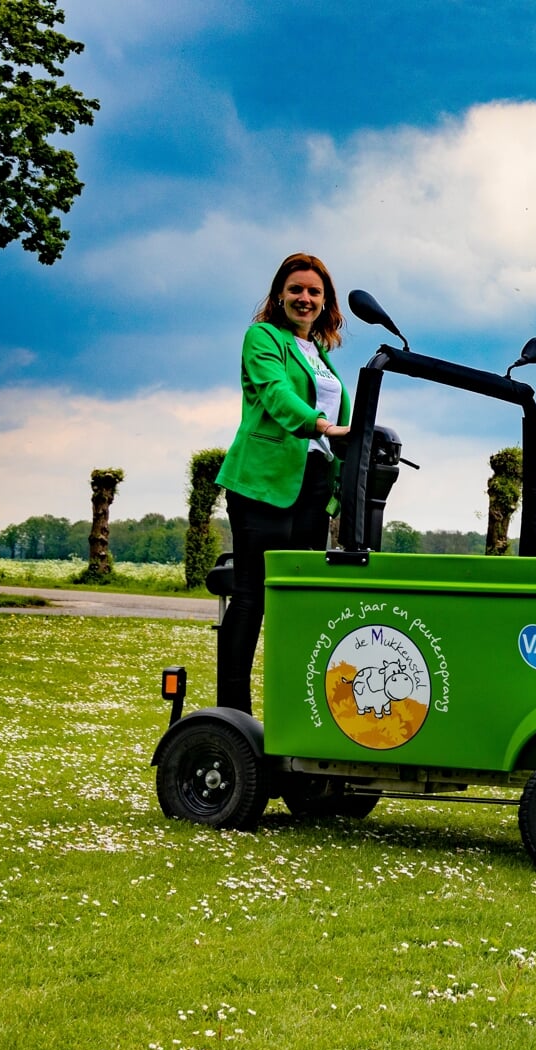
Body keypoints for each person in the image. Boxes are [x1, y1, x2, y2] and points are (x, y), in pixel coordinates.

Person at [215, 252, 352, 713]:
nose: (305, 298)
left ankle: (296, 712)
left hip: (313, 484)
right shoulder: (263, 338)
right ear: (279, 295)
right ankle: (235, 712)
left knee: (298, 600)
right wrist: (323, 427)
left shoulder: (322, 356)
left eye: (314, 291)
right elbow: (276, 395)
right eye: (296, 289)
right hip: (264, 483)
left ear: (326, 302)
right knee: (252, 594)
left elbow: (343, 420)